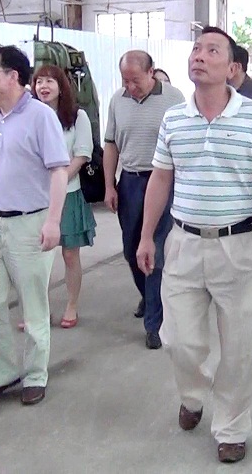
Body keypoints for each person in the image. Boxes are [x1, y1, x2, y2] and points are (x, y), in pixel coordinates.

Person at [136, 26, 252, 464]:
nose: (199, 55)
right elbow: (161, 178)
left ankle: (231, 426)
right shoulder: (174, 118)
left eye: (212, 50)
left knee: (241, 346)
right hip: (183, 244)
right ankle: (193, 393)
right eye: (196, 49)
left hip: (239, 246)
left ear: (232, 68)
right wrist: (146, 236)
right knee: (179, 339)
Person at [0, 45, 69, 406]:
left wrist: (53, 221)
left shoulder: (41, 116)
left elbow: (58, 170)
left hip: (30, 223)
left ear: (13, 76)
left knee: (33, 305)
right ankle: (0, 373)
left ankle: (35, 374)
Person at [102, 50, 185, 349]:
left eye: (135, 80)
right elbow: (110, 144)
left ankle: (154, 323)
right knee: (131, 249)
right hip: (131, 182)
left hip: (163, 180)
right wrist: (109, 185)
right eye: (125, 80)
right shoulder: (117, 100)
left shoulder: (174, 98)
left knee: (155, 250)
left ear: (151, 72)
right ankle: (149, 297)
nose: (130, 86)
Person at [31, 64, 97, 328]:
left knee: (70, 255)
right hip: (35, 198)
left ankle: (71, 305)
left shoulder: (77, 116)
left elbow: (82, 154)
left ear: (61, 86)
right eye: (39, 82)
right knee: (35, 258)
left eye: (49, 81)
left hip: (68, 194)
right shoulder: (29, 115)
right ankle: (38, 309)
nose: (43, 87)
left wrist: (58, 182)